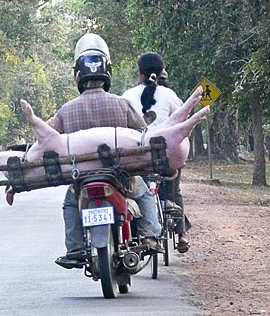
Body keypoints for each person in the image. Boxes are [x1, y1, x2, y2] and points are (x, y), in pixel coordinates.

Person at [54, 34, 164, 269]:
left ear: (78, 77)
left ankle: (74, 247)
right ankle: (149, 235)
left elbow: (49, 140)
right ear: (107, 74)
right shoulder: (121, 104)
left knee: (70, 204)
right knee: (144, 194)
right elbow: (142, 135)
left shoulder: (65, 111)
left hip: (81, 179)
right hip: (120, 178)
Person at [122, 52, 191, 253]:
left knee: (134, 189)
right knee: (175, 184)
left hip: (137, 157)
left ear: (139, 72)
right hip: (165, 158)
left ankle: (135, 234)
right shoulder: (170, 96)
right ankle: (181, 232)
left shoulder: (127, 96)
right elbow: (182, 122)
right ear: (161, 72)